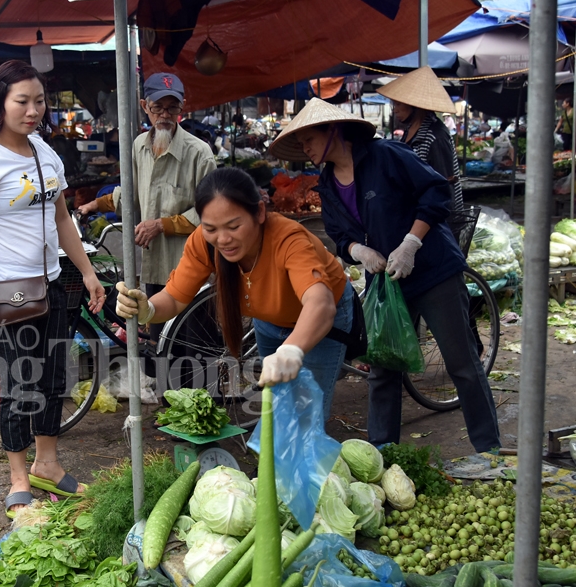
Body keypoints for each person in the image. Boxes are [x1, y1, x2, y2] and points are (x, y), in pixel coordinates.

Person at [270, 98, 501, 453]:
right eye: (301, 144)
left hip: (433, 272)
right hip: (388, 284)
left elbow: (436, 192)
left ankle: (489, 450)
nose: (305, 148)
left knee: (462, 364)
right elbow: (340, 234)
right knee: (383, 369)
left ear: (332, 131)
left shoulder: (386, 155)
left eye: (309, 139)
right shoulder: (328, 185)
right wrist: (358, 252)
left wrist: (411, 242)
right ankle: (382, 453)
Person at [0, 60, 105, 517]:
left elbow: (62, 219)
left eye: (39, 100)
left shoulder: (45, 152)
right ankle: (19, 478)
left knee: (55, 377)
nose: (33, 110)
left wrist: (87, 270)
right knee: (22, 381)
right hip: (7, 293)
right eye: (22, 100)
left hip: (53, 283)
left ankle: (49, 464)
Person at [115, 167, 355, 416]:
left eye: (233, 226)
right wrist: (148, 309)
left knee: (306, 414)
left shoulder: (288, 239)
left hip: (320, 322)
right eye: (211, 228)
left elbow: (320, 303)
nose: (223, 239)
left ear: (259, 213)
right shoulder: (202, 243)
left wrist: (292, 348)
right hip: (269, 320)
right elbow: (175, 297)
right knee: (277, 406)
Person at [77, 72, 216, 341]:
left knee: (192, 344)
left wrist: (161, 225)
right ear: (144, 107)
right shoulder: (139, 146)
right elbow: (129, 194)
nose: (164, 114)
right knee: (158, 340)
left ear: (181, 107)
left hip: (190, 264)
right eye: (157, 107)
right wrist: (93, 205)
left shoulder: (199, 153)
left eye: (172, 107)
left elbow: (210, 212)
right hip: (154, 265)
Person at [377, 66, 463, 211]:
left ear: (415, 105)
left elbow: (444, 184)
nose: (395, 109)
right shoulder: (410, 130)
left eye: (398, 104)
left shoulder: (436, 135)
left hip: (436, 219)